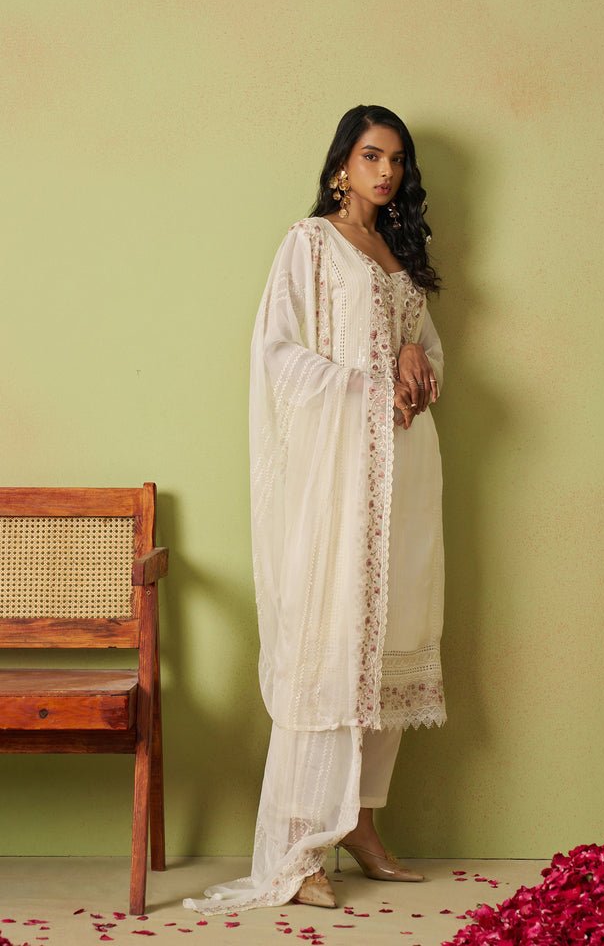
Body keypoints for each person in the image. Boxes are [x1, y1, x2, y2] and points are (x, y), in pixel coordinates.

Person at [184, 104, 445, 915]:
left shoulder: (397, 255)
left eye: (395, 159)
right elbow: (278, 355)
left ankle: (360, 823)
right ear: (340, 166)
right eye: (370, 155)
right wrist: (368, 386)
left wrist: (414, 354)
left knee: (390, 636)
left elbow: (427, 354)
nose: (385, 171)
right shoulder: (310, 244)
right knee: (328, 644)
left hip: (405, 469)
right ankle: (300, 846)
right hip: (337, 475)